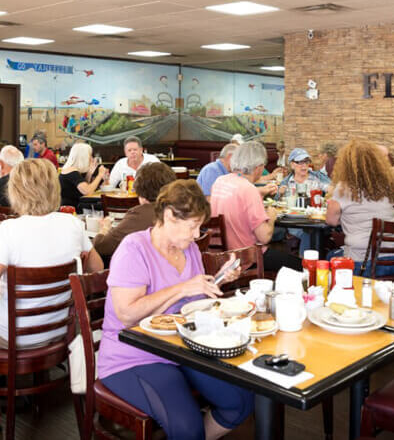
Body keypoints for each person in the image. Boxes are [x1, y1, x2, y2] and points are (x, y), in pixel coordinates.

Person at [97, 180, 252, 439]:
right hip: (133, 356)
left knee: (241, 400)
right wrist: (182, 288)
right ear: (169, 216)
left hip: (182, 348)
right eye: (193, 226)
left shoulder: (189, 249)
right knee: (187, 427)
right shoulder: (134, 249)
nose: (197, 234)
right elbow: (126, 315)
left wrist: (219, 279)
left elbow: (194, 301)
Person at [0, 159, 103, 347]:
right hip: (62, 331)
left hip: (14, 337)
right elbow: (97, 267)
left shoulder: (7, 230)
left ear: (15, 191)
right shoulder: (72, 224)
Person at [210, 141, 302, 272]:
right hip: (247, 258)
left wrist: (260, 193)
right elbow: (265, 237)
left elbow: (236, 200)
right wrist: (272, 216)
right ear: (258, 167)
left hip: (220, 256)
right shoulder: (248, 189)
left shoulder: (220, 181)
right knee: (301, 266)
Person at [325, 140, 394, 277]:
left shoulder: (343, 189)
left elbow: (331, 221)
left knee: (330, 256)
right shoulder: (387, 185)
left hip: (363, 263)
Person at [93, 162, 176, 258]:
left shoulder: (139, 215)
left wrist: (104, 228)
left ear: (139, 190)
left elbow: (101, 246)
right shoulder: (180, 210)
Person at [279, 148, 331, 255]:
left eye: (306, 162)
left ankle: (306, 261)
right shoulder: (286, 182)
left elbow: (333, 189)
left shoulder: (317, 177)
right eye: (300, 162)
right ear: (292, 164)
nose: (304, 166)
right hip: (295, 222)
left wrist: (329, 194)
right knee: (308, 232)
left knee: (312, 231)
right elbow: (277, 206)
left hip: (316, 220)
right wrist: (280, 194)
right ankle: (307, 262)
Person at [59, 142, 108, 209]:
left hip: (75, 207)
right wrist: (100, 175)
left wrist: (89, 173)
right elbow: (87, 192)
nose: (91, 158)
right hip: (71, 210)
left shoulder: (73, 170)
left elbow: (84, 188)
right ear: (83, 157)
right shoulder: (72, 172)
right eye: (90, 155)